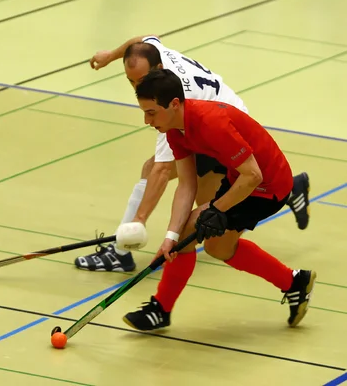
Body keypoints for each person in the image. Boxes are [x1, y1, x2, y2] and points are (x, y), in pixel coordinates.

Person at [75, 35, 310, 273]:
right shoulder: (152, 54)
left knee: (156, 171)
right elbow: (140, 41)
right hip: (218, 115)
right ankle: (288, 189)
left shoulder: (171, 101)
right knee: (205, 199)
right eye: (130, 81)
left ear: (157, 69)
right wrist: (110, 56)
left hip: (223, 124)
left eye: (141, 81)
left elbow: (162, 169)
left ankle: (119, 253)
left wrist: (139, 222)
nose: (138, 89)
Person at [121, 69, 315, 331]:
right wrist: (170, 236)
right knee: (217, 248)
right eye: (144, 112)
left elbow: (254, 175)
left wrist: (215, 208)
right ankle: (295, 282)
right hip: (239, 178)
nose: (146, 120)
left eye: (151, 112)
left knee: (193, 228)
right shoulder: (174, 130)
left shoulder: (211, 122)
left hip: (266, 185)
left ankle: (161, 308)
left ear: (175, 104)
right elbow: (187, 185)